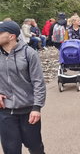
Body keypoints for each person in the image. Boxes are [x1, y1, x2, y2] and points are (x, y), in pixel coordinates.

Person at [0, 21, 46, 154]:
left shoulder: (29, 53)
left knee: (36, 148)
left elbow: (38, 82)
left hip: (28, 111)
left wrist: (37, 108)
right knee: (11, 150)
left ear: (11, 36)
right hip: (5, 111)